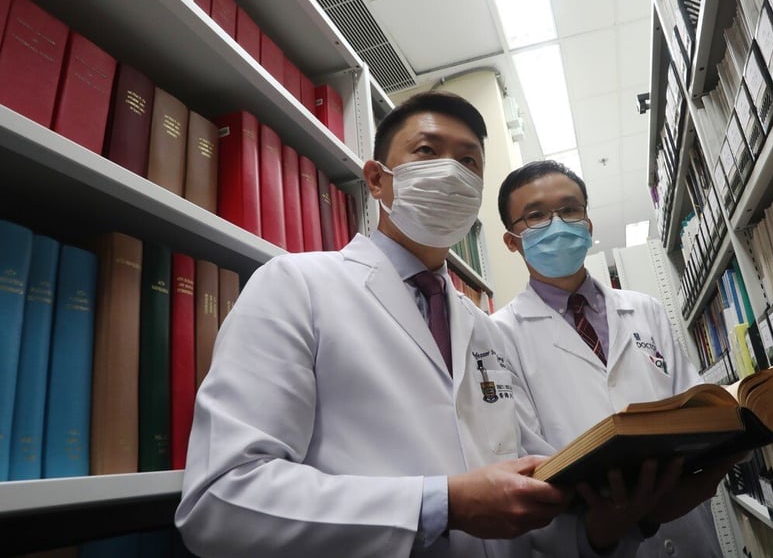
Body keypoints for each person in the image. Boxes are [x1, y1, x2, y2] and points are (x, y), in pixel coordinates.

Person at [175, 91, 650, 558]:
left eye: (469, 162)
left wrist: (596, 534)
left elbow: (522, 501)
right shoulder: (295, 286)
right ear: (377, 181)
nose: (451, 174)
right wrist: (441, 505)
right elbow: (221, 501)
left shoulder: (483, 328)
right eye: (427, 151)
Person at [492, 160, 735, 558]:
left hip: (688, 526)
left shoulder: (646, 310)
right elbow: (529, 457)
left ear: (587, 224)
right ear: (512, 240)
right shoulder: (499, 335)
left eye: (569, 210)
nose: (557, 224)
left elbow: (693, 406)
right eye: (535, 216)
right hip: (594, 538)